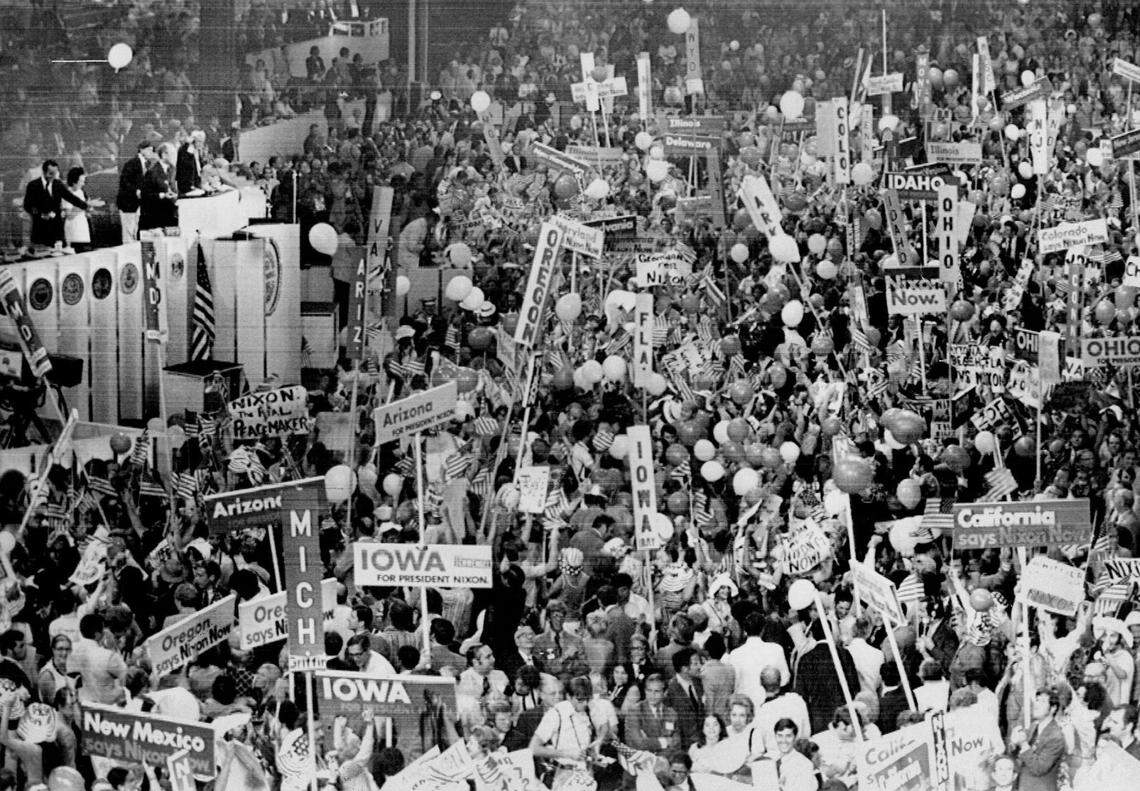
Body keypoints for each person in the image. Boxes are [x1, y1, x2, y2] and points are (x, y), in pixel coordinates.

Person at [1010, 688, 1067, 791]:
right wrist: (1014, 744)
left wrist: (1023, 744)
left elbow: (1039, 768)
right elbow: (1020, 756)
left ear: (1053, 708)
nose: (1036, 704)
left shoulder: (1056, 737)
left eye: (1043, 701)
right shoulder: (1033, 727)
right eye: (1037, 700)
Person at [23, 160, 88, 247]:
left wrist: (86, 205)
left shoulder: (58, 184)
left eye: (55, 173)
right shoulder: (33, 185)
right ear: (44, 172)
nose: (53, 176)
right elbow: (27, 206)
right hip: (41, 229)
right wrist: (40, 214)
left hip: (57, 230)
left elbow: (71, 197)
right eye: (51, 173)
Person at [116, 141, 155, 243]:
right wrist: (136, 191)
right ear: (141, 150)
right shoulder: (131, 163)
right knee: (128, 231)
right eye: (149, 150)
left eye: (152, 150)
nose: (151, 152)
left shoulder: (148, 164)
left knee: (135, 229)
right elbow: (125, 182)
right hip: (128, 202)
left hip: (139, 203)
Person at [140, 142, 179, 231]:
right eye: (173, 154)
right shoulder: (152, 172)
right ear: (164, 155)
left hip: (172, 216)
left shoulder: (173, 169)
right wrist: (163, 195)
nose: (175, 157)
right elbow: (145, 195)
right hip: (156, 218)